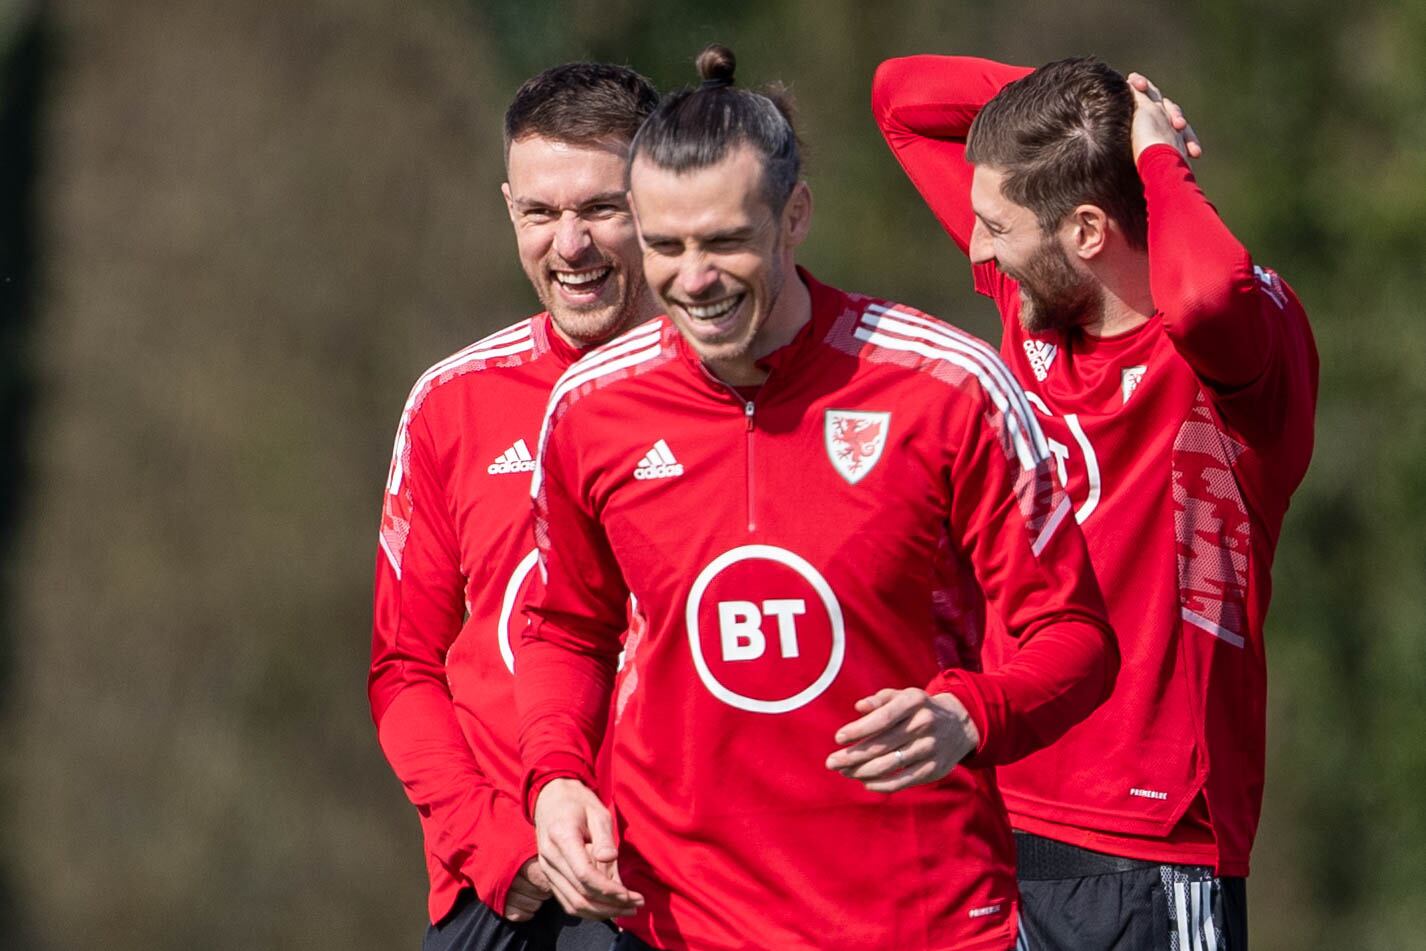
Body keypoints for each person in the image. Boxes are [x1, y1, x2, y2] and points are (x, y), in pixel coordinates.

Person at [517, 45, 1118, 951]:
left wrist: (970, 713)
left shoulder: (946, 386)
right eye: (665, 245)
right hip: (681, 925)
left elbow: (1075, 638)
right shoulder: (591, 409)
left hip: (926, 924)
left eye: (725, 241)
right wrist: (557, 774)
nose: (694, 277)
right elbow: (566, 627)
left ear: (794, 216)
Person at [872, 55, 1318, 950]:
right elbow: (902, 100)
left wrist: (1157, 159)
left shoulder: (1231, 354)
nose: (975, 248)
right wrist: (1114, 101)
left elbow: (1203, 297)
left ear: (1085, 230)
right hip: (996, 807)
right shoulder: (1036, 294)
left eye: (996, 225)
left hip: (1148, 843)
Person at [368, 61, 659, 951]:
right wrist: (500, 849)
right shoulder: (451, 402)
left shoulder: (737, 392)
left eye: (601, 209)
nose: (569, 245)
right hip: (503, 898)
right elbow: (403, 671)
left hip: (683, 893)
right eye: (540, 213)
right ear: (509, 210)